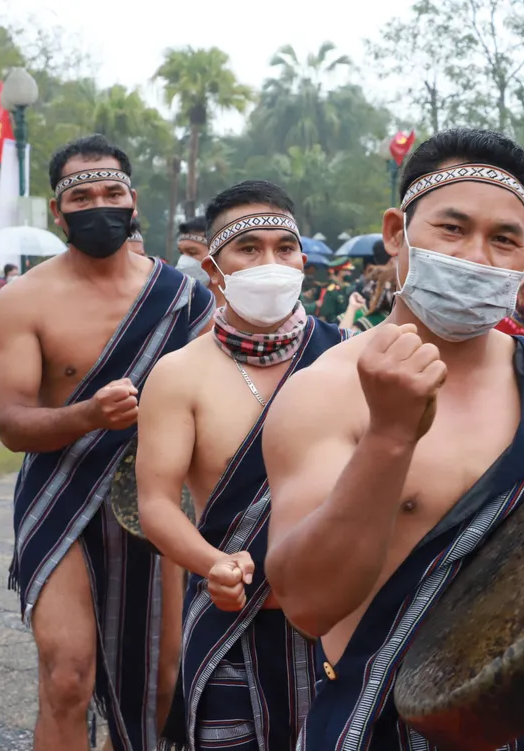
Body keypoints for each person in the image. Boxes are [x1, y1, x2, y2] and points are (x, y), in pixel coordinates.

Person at [263, 129, 524, 750]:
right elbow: (308, 604)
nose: (477, 258)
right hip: (383, 725)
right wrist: (389, 440)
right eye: (452, 229)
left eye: (503, 239)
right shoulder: (323, 393)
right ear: (397, 232)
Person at [0, 134, 214, 751]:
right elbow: (11, 424)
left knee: (164, 685)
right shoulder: (21, 300)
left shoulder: (184, 297)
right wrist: (88, 413)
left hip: (159, 501)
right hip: (60, 498)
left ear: (133, 200)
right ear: (59, 212)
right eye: (81, 196)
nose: (99, 205)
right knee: (66, 676)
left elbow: (214, 408)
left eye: (112, 192)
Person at [136, 180, 349, 751]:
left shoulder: (353, 357)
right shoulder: (179, 375)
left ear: (303, 261)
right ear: (213, 268)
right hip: (235, 626)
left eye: (284, 248)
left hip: (345, 628)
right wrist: (212, 564)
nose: (270, 263)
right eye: (248, 249)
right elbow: (155, 502)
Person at [315, 257, 354, 323]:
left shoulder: (345, 287)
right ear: (339, 271)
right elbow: (326, 316)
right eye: (347, 271)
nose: (349, 273)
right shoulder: (332, 290)